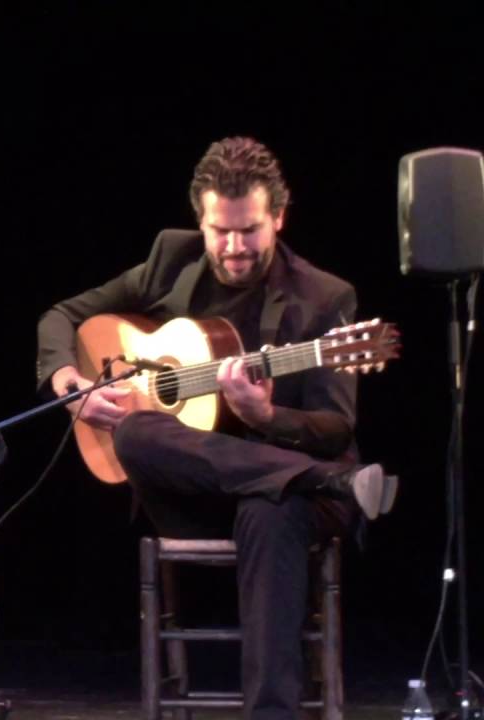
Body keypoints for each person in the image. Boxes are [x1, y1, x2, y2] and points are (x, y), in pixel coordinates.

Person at [35, 137, 396, 720]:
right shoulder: (170, 261)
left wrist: (264, 417)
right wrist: (69, 384)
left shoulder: (325, 298)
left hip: (284, 507)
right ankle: (324, 481)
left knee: (271, 504)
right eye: (219, 231)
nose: (233, 247)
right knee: (135, 433)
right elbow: (61, 316)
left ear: (279, 216)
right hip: (195, 493)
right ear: (199, 221)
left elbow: (336, 429)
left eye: (250, 230)